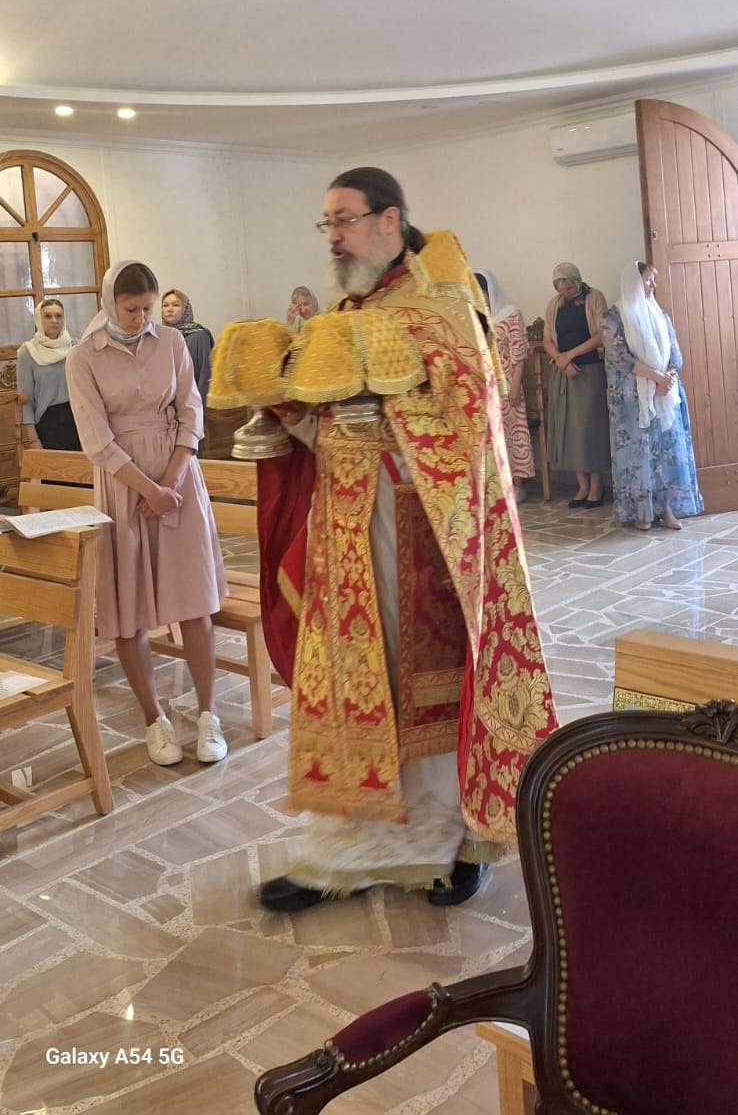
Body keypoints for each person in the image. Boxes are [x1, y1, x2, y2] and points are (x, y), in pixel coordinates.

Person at [210, 167, 556, 913]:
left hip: (425, 536)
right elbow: (331, 426)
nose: (332, 236)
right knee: (353, 689)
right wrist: (287, 411)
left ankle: (457, 843)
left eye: (344, 219)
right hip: (344, 534)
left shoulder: (443, 305)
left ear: (389, 219)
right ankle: (344, 852)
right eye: (326, 223)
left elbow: (472, 418)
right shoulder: (345, 310)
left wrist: (383, 409)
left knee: (425, 689)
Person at [66, 260, 229, 766]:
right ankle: (155, 720)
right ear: (109, 303)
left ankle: (208, 714)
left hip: (178, 478)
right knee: (128, 609)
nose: (141, 319)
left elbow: (191, 411)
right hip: (123, 485)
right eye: (131, 309)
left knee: (195, 602)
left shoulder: (173, 342)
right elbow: (96, 439)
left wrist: (171, 482)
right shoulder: (83, 357)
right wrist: (146, 489)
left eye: (147, 309)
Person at [601, 261, 703, 531]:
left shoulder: (660, 314)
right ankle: (641, 512)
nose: (652, 285)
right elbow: (621, 358)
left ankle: (666, 509)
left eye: (652, 280)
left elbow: (675, 354)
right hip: (632, 399)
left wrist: (666, 378)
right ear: (633, 282)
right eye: (648, 280)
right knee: (638, 454)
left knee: (664, 452)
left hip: (664, 393)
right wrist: (656, 378)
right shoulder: (613, 317)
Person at [543, 263, 610, 508]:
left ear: (578, 281)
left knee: (589, 427)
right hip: (563, 373)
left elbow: (602, 334)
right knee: (569, 428)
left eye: (569, 285)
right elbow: (547, 339)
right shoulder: (554, 305)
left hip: (588, 370)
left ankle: (597, 485)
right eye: (561, 286)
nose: (566, 289)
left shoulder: (595, 297)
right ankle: (582, 485)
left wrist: (570, 355)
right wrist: (562, 361)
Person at [475, 271, 534, 502]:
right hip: (484, 385)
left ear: (490, 291)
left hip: (508, 382)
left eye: (482, 293)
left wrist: (515, 387)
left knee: (512, 433)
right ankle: (495, 483)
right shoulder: (475, 316)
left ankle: (517, 484)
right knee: (489, 435)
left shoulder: (511, 314)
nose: (479, 297)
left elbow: (519, 354)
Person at [16, 298, 81, 451]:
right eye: (47, 316)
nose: (54, 321)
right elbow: (26, 400)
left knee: (82, 466)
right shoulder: (28, 352)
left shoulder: (76, 347)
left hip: (79, 418)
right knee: (53, 466)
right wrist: (33, 439)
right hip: (47, 422)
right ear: (39, 319)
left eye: (58, 316)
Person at [160, 290, 214, 405]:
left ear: (186, 309)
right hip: (164, 406)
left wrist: (200, 408)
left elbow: (205, 376)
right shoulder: (159, 336)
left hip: (191, 403)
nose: (169, 309)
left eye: (176, 305)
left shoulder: (200, 336)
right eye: (165, 305)